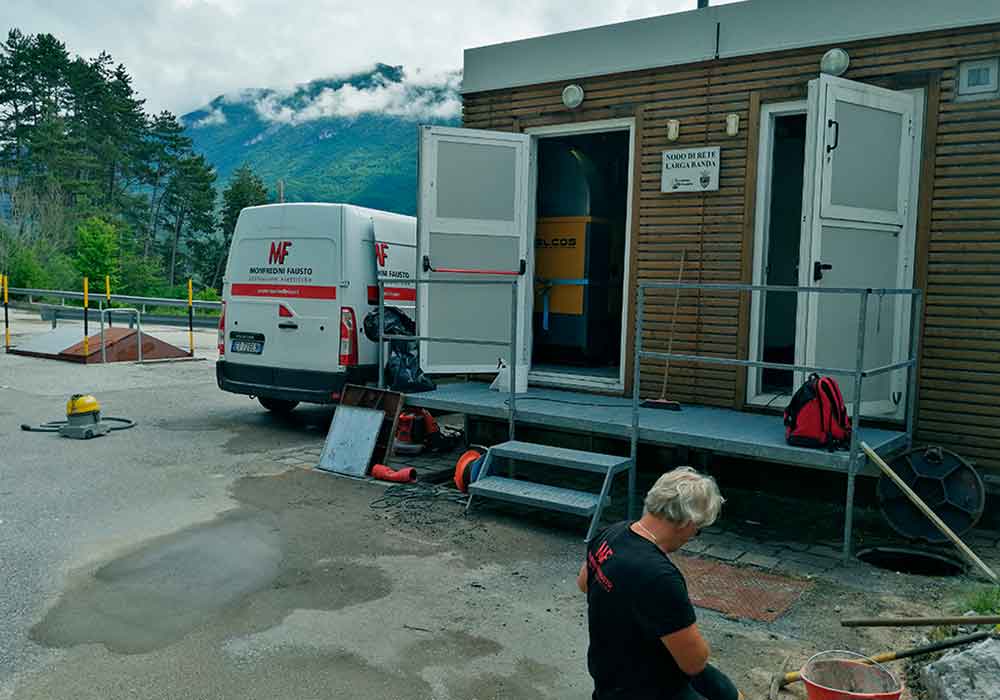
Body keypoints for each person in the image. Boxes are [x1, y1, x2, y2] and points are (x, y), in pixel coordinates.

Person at [577, 467, 741, 700]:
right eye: (698, 530)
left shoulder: (611, 533)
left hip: (608, 676)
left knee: (725, 690)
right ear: (687, 522)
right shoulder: (659, 577)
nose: (692, 537)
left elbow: (584, 583)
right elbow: (694, 662)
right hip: (648, 691)